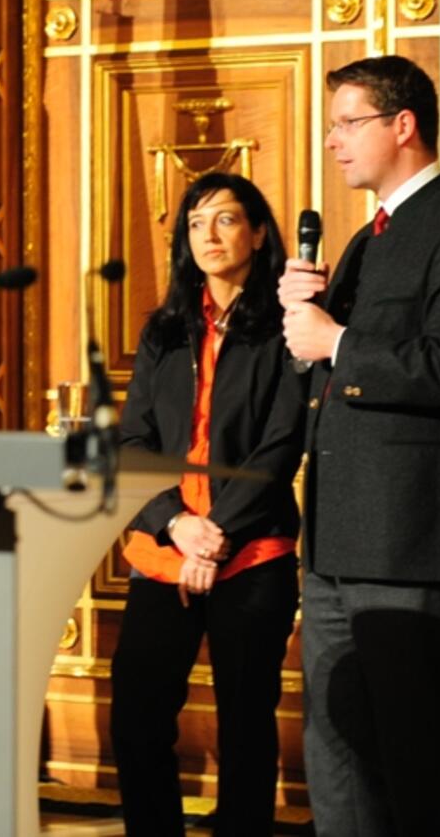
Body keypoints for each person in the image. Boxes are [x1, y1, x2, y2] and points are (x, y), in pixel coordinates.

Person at [279, 56, 440, 837]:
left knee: (420, 750)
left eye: (348, 123)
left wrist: (336, 340)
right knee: (339, 741)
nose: (333, 142)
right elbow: (332, 368)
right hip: (341, 534)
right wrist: (303, 328)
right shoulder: (363, 238)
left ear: (402, 125)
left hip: (414, 536)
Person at [110, 172, 305, 836]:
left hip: (251, 554)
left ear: (256, 233)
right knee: (136, 722)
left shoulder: (286, 329)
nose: (209, 235)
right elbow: (133, 445)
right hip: (164, 553)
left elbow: (281, 445)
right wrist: (177, 524)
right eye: (196, 223)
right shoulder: (165, 332)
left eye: (225, 220)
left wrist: (216, 532)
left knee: (246, 729)